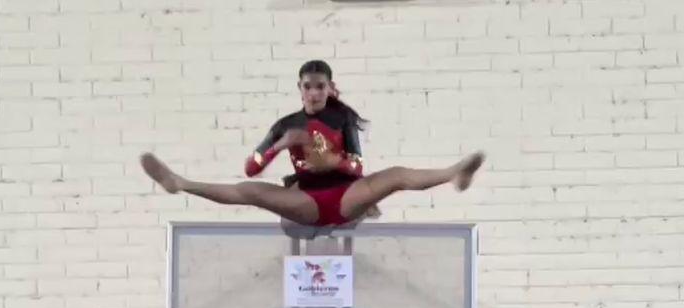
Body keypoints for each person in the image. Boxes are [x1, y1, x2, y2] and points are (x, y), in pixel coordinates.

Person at [140, 59, 483, 227]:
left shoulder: (342, 119)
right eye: (308, 86)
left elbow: (358, 167)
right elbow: (251, 166)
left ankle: (454, 173)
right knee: (249, 190)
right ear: (300, 88)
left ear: (330, 88)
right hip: (307, 201)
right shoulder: (286, 125)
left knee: (395, 175)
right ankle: (179, 183)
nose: (315, 92)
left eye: (321, 86)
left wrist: (334, 163)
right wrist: (280, 145)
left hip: (346, 197)